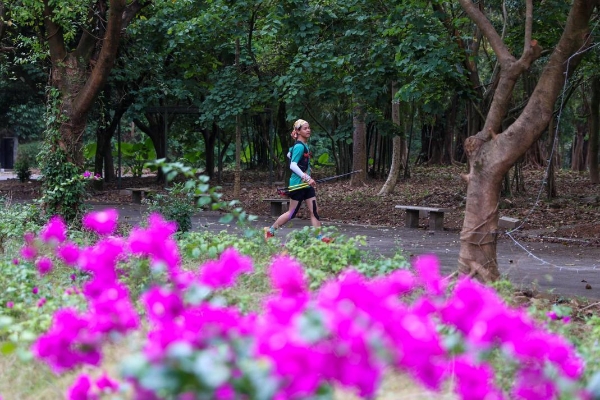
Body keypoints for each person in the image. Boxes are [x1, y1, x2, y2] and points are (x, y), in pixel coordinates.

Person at [264, 119, 331, 242]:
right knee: (291, 213)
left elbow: (290, 155)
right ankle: (271, 230)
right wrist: (307, 177)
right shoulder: (300, 146)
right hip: (297, 185)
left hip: (306, 185)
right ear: (298, 131)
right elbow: (292, 165)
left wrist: (307, 178)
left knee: (314, 210)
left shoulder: (301, 145)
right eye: (305, 128)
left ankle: (320, 237)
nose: (308, 130)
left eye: (309, 127)